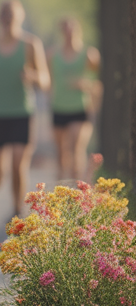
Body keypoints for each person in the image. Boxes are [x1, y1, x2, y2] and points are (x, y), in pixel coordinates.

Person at [0, 0, 48, 219]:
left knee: (19, 165)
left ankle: (17, 209)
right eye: (4, 14)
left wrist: (33, 77)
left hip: (21, 113)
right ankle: (0, 173)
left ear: (20, 17)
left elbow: (45, 80)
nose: (8, 18)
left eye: (12, 14)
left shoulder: (30, 45)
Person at [49, 17, 100, 183]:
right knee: (61, 153)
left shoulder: (89, 54)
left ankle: (80, 189)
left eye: (72, 30)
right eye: (66, 31)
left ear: (78, 30)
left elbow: (97, 84)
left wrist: (84, 84)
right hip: (59, 107)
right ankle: (60, 191)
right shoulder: (52, 55)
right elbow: (48, 80)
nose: (69, 34)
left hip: (80, 108)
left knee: (76, 148)